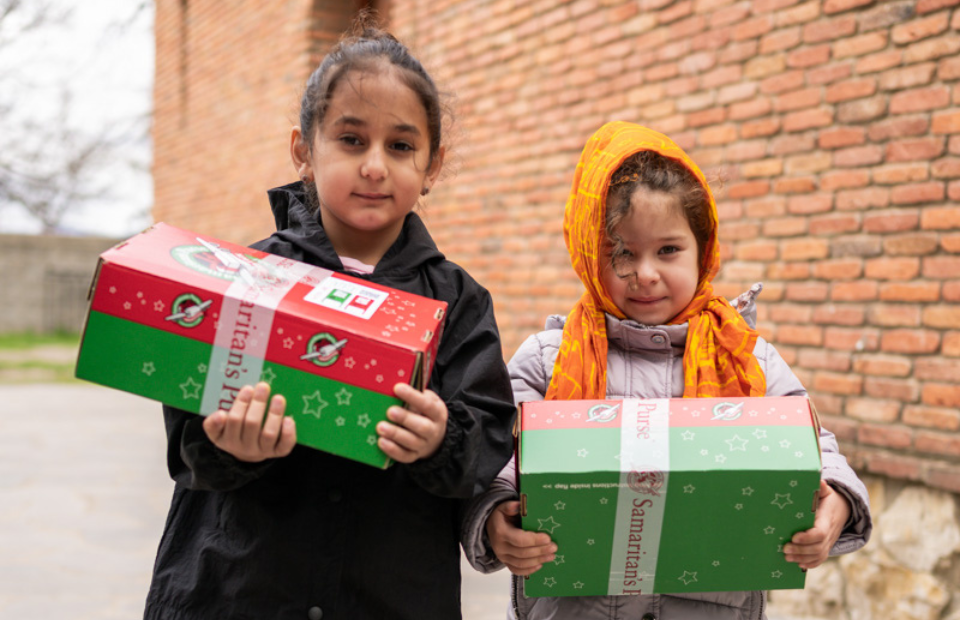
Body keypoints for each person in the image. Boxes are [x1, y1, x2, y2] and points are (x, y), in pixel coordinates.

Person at [143, 19, 517, 620]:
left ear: (433, 165)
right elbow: (187, 439)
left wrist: (440, 439)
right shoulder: (247, 278)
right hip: (241, 590)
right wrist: (227, 442)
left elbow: (488, 439)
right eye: (350, 139)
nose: (375, 166)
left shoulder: (459, 301)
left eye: (400, 146)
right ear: (304, 151)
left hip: (391, 599)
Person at [461, 121, 872, 620]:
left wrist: (839, 504)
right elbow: (495, 458)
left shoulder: (747, 360)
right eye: (623, 254)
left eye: (669, 250)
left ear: (704, 250)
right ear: (592, 255)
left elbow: (814, 447)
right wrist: (494, 521)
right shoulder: (548, 361)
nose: (647, 273)